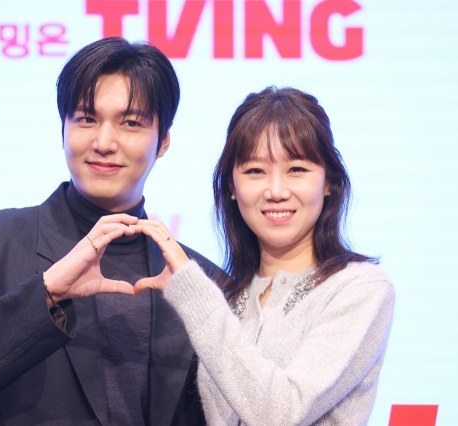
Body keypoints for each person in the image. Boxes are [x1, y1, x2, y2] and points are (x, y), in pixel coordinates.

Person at [0, 37, 219, 426]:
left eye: (131, 123)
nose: (104, 142)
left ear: (163, 141)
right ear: (63, 128)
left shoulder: (205, 283)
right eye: (86, 118)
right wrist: (46, 293)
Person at [133, 87, 395, 425]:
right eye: (255, 171)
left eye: (297, 169)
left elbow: (280, 413)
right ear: (231, 186)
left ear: (328, 182)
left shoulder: (360, 289)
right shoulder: (227, 296)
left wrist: (193, 294)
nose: (275, 191)